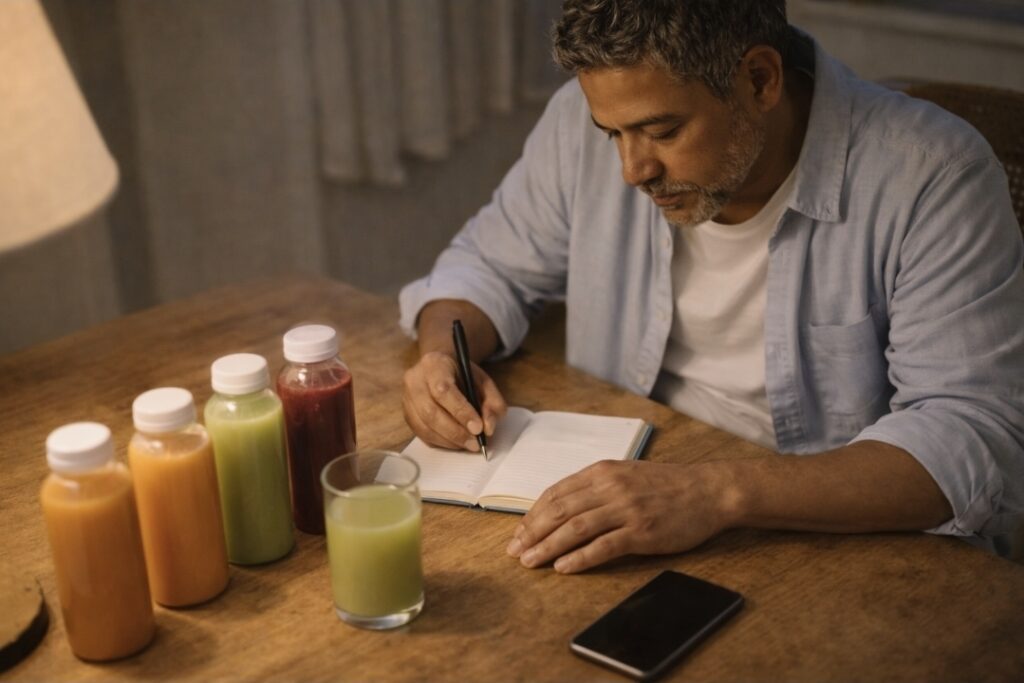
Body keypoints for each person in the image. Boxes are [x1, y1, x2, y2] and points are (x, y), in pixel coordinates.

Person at [398, 0, 1024, 573]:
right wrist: (439, 355)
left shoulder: (933, 177)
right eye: (612, 134)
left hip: (842, 545)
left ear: (760, 80)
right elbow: (484, 265)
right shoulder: (583, 122)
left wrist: (715, 492)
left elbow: (970, 439)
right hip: (626, 500)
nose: (632, 171)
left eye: (665, 132)